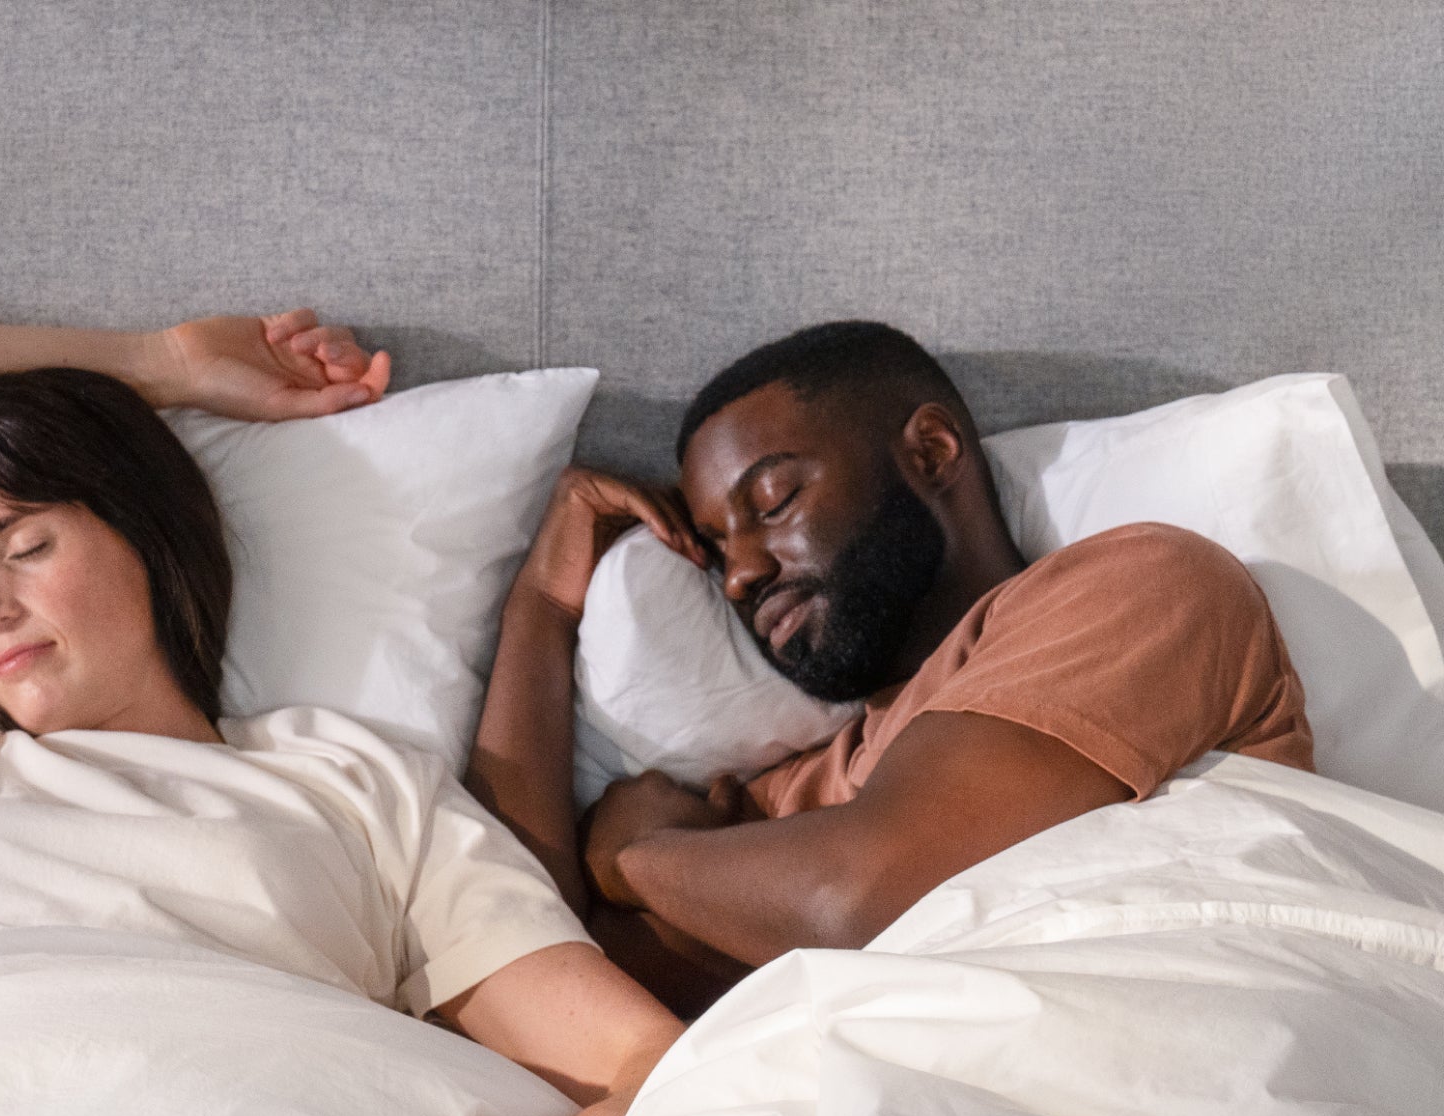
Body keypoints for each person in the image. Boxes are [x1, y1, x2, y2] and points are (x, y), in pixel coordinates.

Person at [0, 308, 683, 1116]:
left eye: (25, 546)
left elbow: (642, 1059)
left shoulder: (351, 780)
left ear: (144, 532)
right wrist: (165, 361)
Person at [470, 321, 1315, 1017]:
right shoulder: (790, 798)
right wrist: (542, 606)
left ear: (933, 451)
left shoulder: (1138, 588)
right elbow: (522, 957)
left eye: (772, 505)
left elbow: (860, 901)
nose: (739, 574)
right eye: (718, 548)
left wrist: (639, 859)